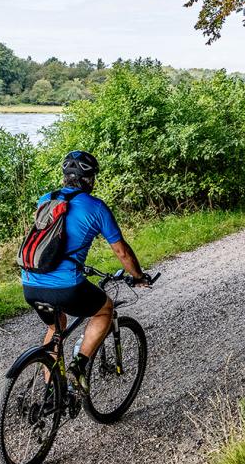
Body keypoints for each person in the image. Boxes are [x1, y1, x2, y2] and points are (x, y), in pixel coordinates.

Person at [20, 150, 150, 388]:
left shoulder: (45, 200)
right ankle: (78, 367)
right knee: (104, 309)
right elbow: (122, 251)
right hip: (66, 287)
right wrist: (138, 276)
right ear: (89, 180)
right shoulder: (96, 207)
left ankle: (52, 391)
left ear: (65, 178)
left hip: (30, 282)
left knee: (55, 325)